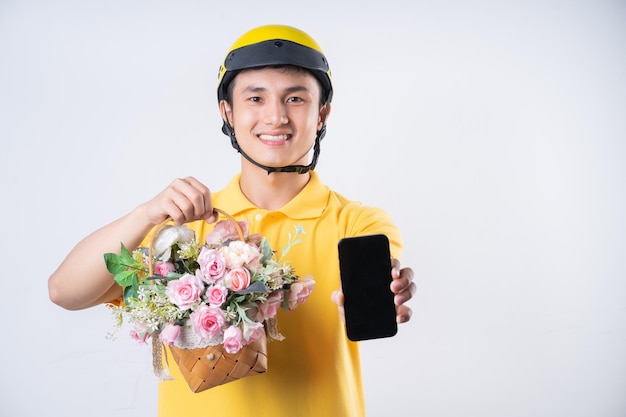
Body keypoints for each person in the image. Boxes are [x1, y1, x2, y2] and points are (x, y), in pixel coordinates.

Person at [48, 24, 416, 417]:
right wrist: (145, 215)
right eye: (255, 98)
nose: (275, 117)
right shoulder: (180, 229)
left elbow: (376, 290)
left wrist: (381, 297)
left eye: (295, 98)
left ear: (321, 113)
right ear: (228, 112)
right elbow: (64, 292)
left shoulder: (357, 222)